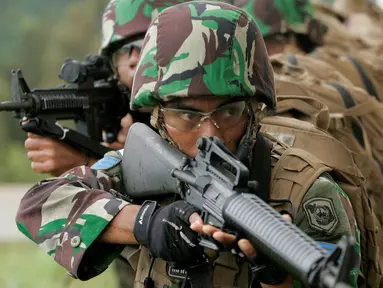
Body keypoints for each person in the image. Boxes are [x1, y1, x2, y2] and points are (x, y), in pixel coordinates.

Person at [16, 2, 359, 287]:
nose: (210, 134)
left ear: (255, 111)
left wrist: (276, 275)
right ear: (158, 117)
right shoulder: (143, 164)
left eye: (229, 112)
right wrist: (146, 224)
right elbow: (37, 207)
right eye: (187, 115)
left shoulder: (308, 192)